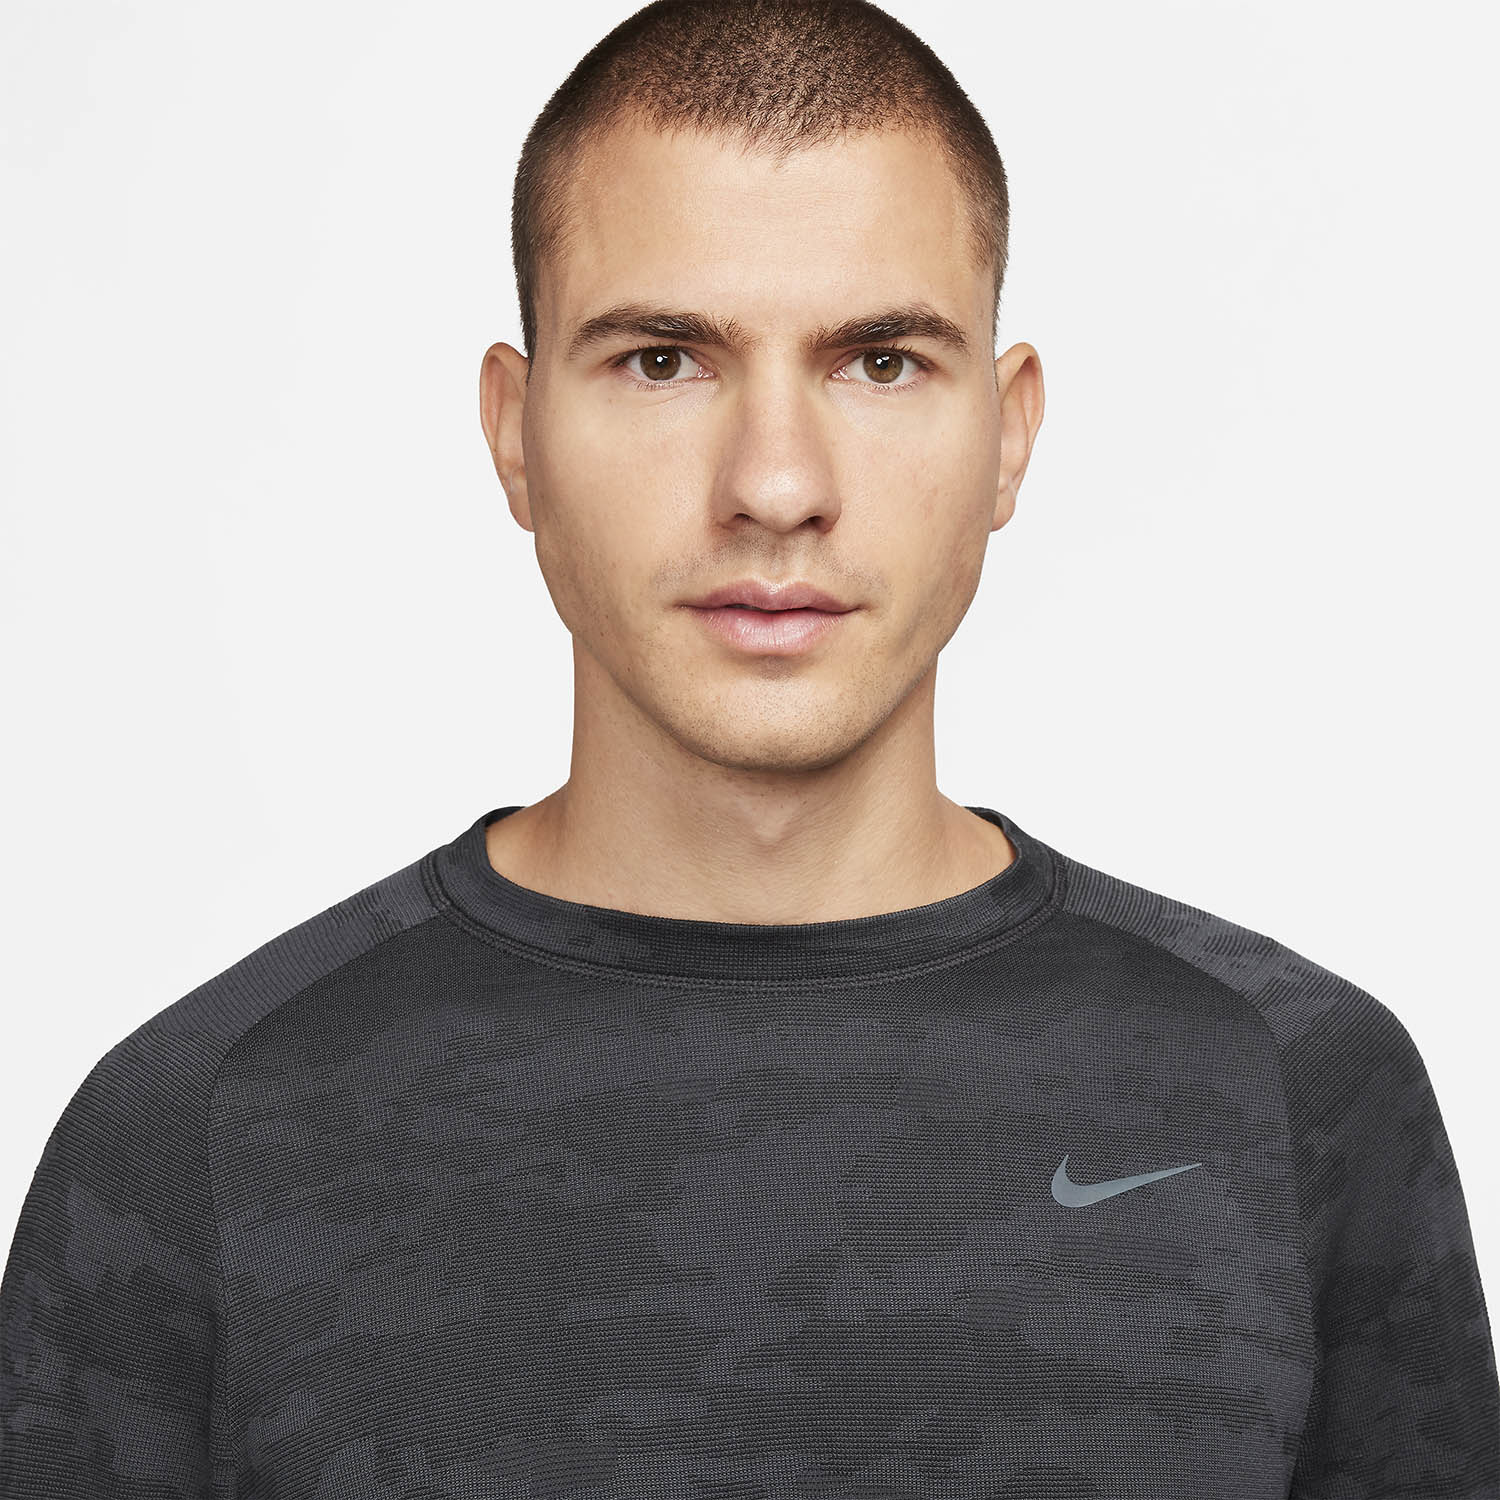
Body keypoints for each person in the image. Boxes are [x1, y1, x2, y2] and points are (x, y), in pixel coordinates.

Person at [3, 0, 1496, 1493]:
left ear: (1010, 434)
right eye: (664, 361)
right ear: (515, 435)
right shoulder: (193, 1136)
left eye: (880, 362)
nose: (776, 486)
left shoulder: (1297, 1093)